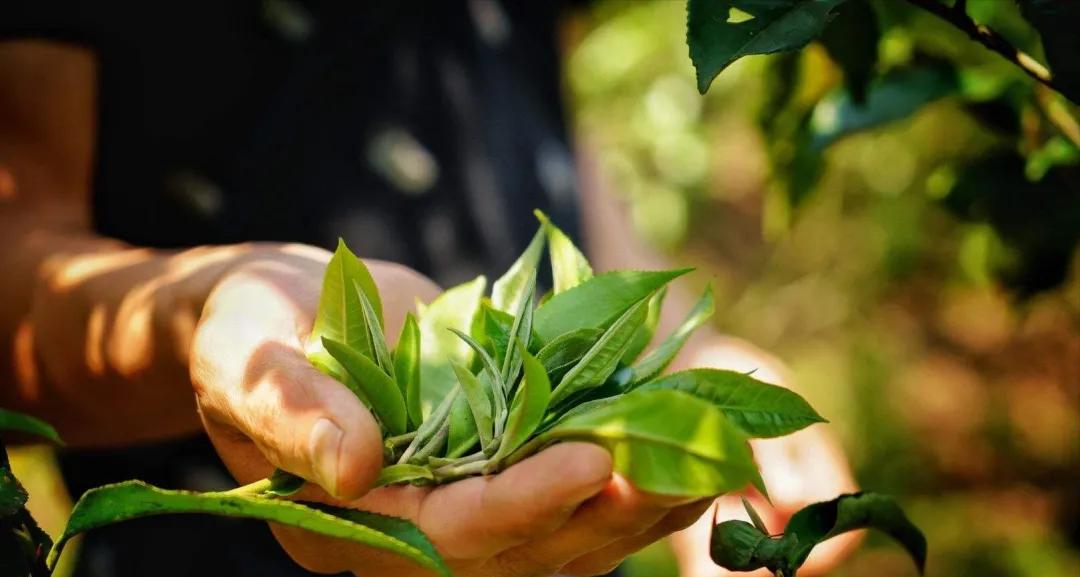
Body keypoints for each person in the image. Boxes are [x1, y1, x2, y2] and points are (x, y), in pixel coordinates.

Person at [0, 2, 856, 576]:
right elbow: (16, 268)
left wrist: (680, 342)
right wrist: (209, 309)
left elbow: (532, 107)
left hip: (548, 489)